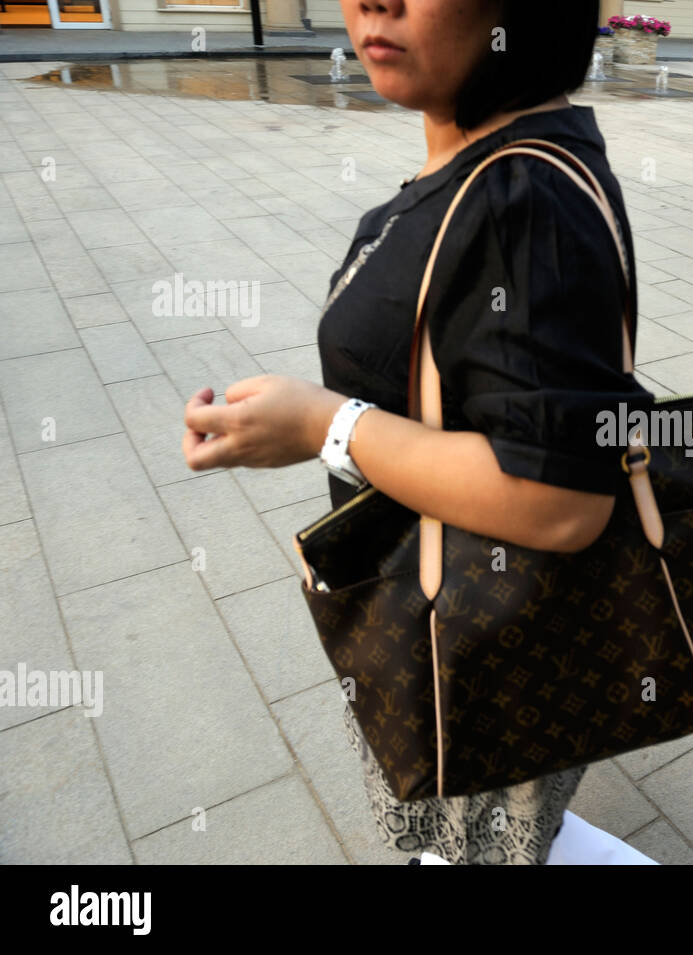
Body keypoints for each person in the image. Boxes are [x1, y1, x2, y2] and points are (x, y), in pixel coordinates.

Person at [181, 0, 654, 864]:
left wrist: (326, 426)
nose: (373, 3)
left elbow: (559, 500)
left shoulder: (524, 197)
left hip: (477, 649)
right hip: (454, 616)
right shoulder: (496, 164)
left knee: (476, 843)